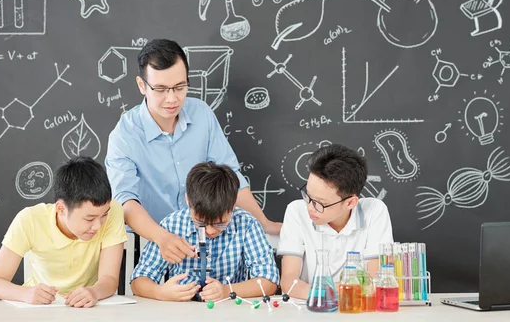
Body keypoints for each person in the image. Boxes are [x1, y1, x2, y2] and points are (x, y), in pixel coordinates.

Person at [105, 39, 281, 265]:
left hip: (209, 239)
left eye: (180, 87)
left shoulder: (202, 114)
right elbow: (125, 201)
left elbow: (231, 175)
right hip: (149, 243)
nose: (172, 99)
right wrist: (162, 237)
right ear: (142, 85)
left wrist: (262, 222)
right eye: (160, 89)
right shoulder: (124, 135)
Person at [0, 156, 127, 307]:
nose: (98, 226)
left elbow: (109, 278)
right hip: (41, 308)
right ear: (61, 209)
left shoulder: (113, 210)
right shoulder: (30, 219)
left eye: (104, 215)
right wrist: (25, 293)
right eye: (89, 219)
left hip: (88, 308)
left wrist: (95, 292)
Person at [130, 161, 279, 302]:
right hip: (182, 311)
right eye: (200, 222)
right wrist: (161, 292)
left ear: (233, 205)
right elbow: (138, 280)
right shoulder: (172, 225)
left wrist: (227, 290)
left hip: (230, 310)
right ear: (188, 200)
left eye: (220, 224)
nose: (210, 231)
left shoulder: (247, 224)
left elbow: (269, 281)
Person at [277, 143, 393, 299]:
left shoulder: (375, 211)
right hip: (309, 309)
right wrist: (324, 294)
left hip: (357, 309)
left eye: (321, 203)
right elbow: (288, 281)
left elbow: (373, 279)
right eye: (308, 195)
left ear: (350, 202)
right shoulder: (296, 211)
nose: (310, 207)